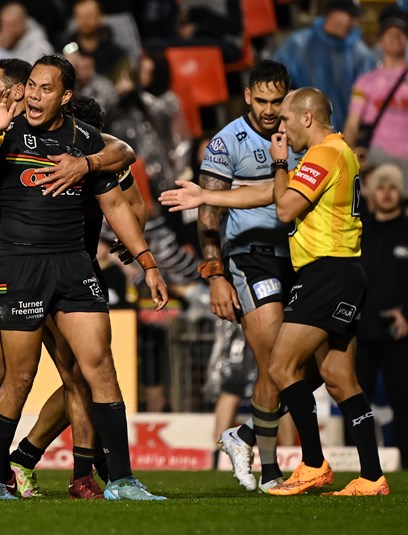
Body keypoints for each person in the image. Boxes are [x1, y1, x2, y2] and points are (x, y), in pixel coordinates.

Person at [160, 87, 389, 496]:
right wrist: (206, 195)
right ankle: (372, 476)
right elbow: (270, 193)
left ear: (306, 117)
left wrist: (281, 162)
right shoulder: (339, 153)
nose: (278, 127)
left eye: (285, 118)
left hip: (325, 273)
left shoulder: (323, 154)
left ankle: (313, 464)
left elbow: (283, 208)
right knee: (339, 379)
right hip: (345, 272)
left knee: (282, 368)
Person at [0, 54, 167, 501]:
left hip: (74, 265)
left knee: (100, 369)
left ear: (65, 96)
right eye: (31, 86)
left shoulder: (86, 141)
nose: (34, 96)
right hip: (20, 266)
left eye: (45, 89)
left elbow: (118, 207)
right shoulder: (6, 129)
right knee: (19, 377)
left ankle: (123, 481)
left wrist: (148, 263)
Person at [196, 60, 303, 492]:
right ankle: (272, 471)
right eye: (261, 100)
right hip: (249, 257)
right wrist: (215, 274)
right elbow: (208, 211)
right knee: (274, 361)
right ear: (247, 97)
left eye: (278, 101)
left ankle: (241, 437)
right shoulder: (226, 143)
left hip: (298, 258)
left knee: (292, 365)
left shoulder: (300, 135)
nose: (270, 110)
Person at [354, 163, 408, 469]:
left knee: (404, 404)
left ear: (400, 193)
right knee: (355, 403)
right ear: (373, 192)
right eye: (381, 187)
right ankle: (358, 463)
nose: (386, 194)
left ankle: (405, 463)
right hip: (359, 332)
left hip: (399, 335)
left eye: (392, 187)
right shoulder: (360, 229)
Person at [272, 0, 376, 133]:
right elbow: (274, 84)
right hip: (301, 137)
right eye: (350, 16)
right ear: (333, 13)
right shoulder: (299, 45)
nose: (354, 23)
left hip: (346, 139)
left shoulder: (361, 55)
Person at [343, 5, 408, 180]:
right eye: (389, 33)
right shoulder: (365, 82)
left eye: (400, 33)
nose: (395, 37)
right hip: (377, 159)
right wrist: (350, 156)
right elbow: (352, 125)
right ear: (380, 40)